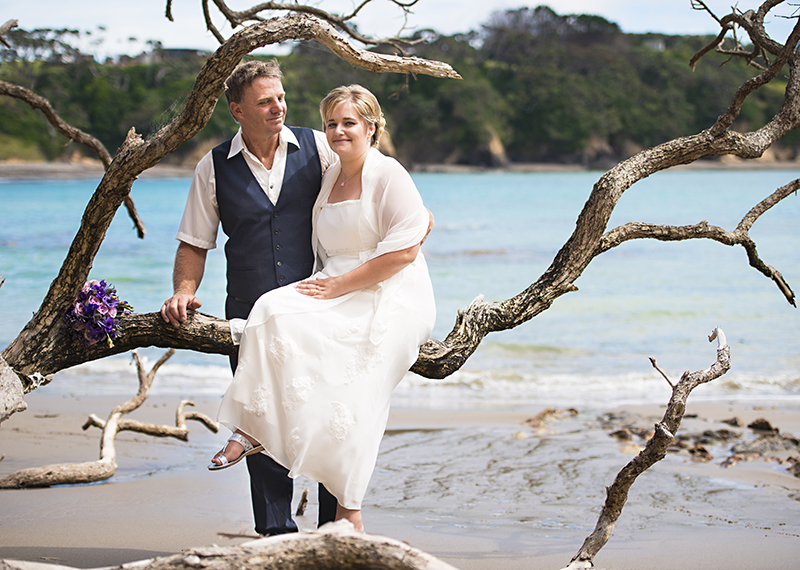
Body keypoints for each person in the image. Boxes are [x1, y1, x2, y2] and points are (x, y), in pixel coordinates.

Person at [208, 84, 436, 533]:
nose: (337, 131)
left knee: (351, 386)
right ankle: (253, 426)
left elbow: (405, 250)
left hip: (386, 288)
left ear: (372, 127)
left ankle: (348, 510)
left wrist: (338, 288)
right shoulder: (330, 173)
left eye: (348, 122)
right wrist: (331, 287)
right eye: (331, 123)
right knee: (268, 308)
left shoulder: (388, 173)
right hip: (334, 281)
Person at [160, 60, 340, 536]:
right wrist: (183, 291)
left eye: (280, 97)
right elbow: (194, 242)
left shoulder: (319, 148)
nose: (278, 107)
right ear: (237, 110)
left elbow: (365, 189)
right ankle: (275, 535)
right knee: (257, 421)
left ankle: (333, 534)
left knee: (326, 421)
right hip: (249, 317)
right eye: (264, 101)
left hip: (318, 311)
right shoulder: (213, 166)